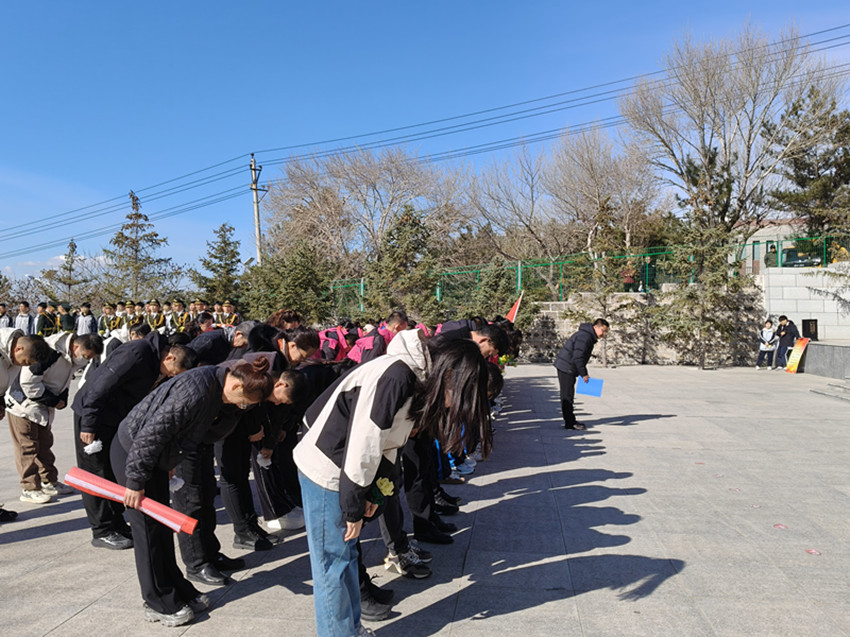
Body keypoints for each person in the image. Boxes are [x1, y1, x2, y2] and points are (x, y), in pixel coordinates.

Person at [294, 332, 491, 637]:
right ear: (450, 373)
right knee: (332, 563)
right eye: (462, 391)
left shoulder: (415, 378)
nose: (455, 403)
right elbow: (365, 444)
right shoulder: (396, 377)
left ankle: (350, 628)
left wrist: (376, 491)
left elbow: (389, 444)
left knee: (346, 556)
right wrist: (353, 507)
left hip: (346, 469)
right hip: (326, 468)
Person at [111, 358, 275, 627]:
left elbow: (192, 434)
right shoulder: (196, 390)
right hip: (132, 453)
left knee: (162, 529)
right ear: (235, 385)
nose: (243, 407)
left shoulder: (217, 390)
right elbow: (151, 434)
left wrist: (167, 463)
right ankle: (157, 601)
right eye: (244, 402)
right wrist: (135, 480)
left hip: (153, 459)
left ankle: (176, 589)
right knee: (148, 532)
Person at [72, 331, 197, 549]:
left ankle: (117, 523)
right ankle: (102, 529)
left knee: (112, 471)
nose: (170, 377)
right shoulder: (138, 352)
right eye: (173, 373)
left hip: (114, 418)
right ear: (169, 358)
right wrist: (89, 423)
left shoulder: (155, 364)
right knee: (96, 472)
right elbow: (101, 384)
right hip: (94, 415)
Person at [6, 332, 102, 503]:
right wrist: (53, 400)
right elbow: (28, 383)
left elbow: (63, 381)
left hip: (42, 407)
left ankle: (48, 481)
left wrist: (61, 398)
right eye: (86, 356)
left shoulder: (70, 358)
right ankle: (29, 488)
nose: (86, 361)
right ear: (75, 347)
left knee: (44, 445)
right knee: (27, 447)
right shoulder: (49, 352)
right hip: (23, 405)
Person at [553, 318, 609, 430]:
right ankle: (570, 423)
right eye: (603, 331)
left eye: (606, 331)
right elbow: (578, 357)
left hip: (568, 366)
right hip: (566, 367)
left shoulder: (587, 335)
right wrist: (584, 374)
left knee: (568, 395)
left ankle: (570, 420)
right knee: (567, 396)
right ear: (596, 327)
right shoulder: (585, 337)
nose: (604, 334)